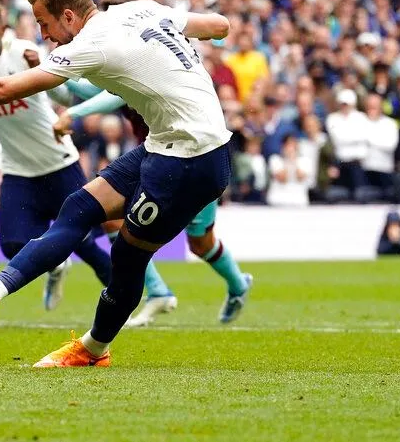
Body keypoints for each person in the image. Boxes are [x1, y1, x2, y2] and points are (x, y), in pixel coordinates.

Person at [0, 0, 233, 367]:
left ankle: (92, 350)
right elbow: (219, 25)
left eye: (45, 23)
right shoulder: (139, 9)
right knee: (78, 208)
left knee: (127, 255)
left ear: (69, 16)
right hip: (166, 145)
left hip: (191, 159)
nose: (45, 34)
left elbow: (1, 88)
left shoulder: (91, 42)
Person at [0, 0, 113, 311]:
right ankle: (57, 267)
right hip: (17, 168)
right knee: (11, 245)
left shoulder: (22, 52)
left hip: (59, 161)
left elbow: (61, 94)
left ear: (2, 30)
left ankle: (122, 300)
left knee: (83, 242)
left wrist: (37, 68)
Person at [54, 85, 252, 326]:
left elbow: (109, 95)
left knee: (200, 243)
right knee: (113, 219)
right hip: (156, 162)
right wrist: (52, 76)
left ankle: (238, 284)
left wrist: (71, 108)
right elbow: (90, 89)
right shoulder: (118, 69)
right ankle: (158, 292)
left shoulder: (139, 70)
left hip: (194, 157)